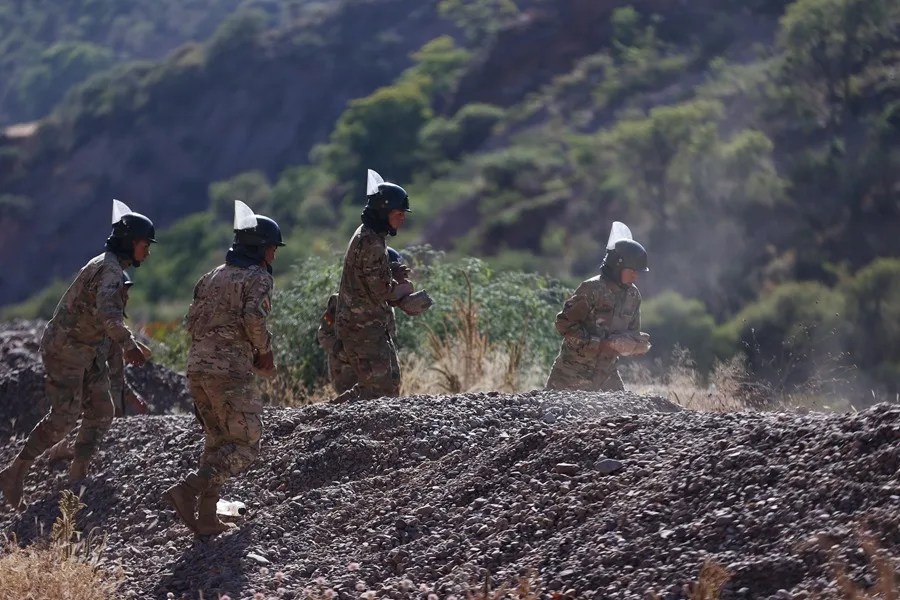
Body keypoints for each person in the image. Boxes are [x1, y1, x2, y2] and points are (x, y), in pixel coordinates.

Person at [0, 200, 154, 509]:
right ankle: (15, 471)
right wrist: (130, 345)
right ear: (129, 243)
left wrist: (124, 369)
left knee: (101, 409)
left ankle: (77, 476)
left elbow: (106, 327)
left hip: (86, 350)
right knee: (64, 417)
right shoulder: (110, 272)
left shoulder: (108, 265)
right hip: (66, 349)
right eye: (144, 245)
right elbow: (110, 318)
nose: (147, 252)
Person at [164, 200, 281, 537]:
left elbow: (192, 322)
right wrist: (263, 351)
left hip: (197, 369)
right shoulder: (258, 277)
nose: (274, 255)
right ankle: (187, 490)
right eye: (272, 249)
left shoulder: (211, 277)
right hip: (229, 372)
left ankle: (206, 518)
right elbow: (253, 317)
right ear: (260, 248)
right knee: (247, 443)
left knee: (217, 442)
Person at [331, 169, 433, 403]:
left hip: (365, 325)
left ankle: (330, 414)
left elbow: (370, 278)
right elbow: (381, 290)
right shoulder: (372, 242)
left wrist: (392, 273)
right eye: (398, 213)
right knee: (381, 391)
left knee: (386, 384)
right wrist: (405, 292)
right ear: (384, 212)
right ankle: (331, 417)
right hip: (363, 326)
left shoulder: (369, 236)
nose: (402, 218)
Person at [45, 272, 149, 462]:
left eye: (126, 293)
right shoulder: (99, 328)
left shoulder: (113, 329)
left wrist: (132, 397)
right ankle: (64, 450)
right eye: (123, 293)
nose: (126, 298)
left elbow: (116, 373)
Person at [545, 222, 652, 392]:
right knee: (556, 409)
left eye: (637, 271)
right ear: (617, 265)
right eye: (631, 270)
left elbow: (631, 332)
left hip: (606, 374)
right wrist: (601, 344)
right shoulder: (591, 289)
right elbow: (563, 324)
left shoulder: (633, 296)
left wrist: (634, 346)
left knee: (623, 409)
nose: (635, 276)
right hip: (571, 373)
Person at [317, 248, 415, 394]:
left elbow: (389, 339)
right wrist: (345, 354)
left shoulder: (386, 305)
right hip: (349, 374)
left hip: (380, 374)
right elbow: (324, 334)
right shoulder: (341, 301)